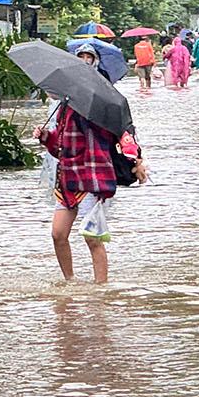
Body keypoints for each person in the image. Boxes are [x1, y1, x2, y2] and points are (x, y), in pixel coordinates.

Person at [37, 46, 145, 284]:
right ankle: (70, 282)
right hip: (67, 177)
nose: (85, 61)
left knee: (92, 237)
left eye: (89, 58)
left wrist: (136, 159)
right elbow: (59, 148)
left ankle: (100, 289)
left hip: (93, 178)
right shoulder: (64, 105)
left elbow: (125, 135)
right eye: (81, 58)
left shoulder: (105, 104)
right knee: (58, 234)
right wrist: (46, 137)